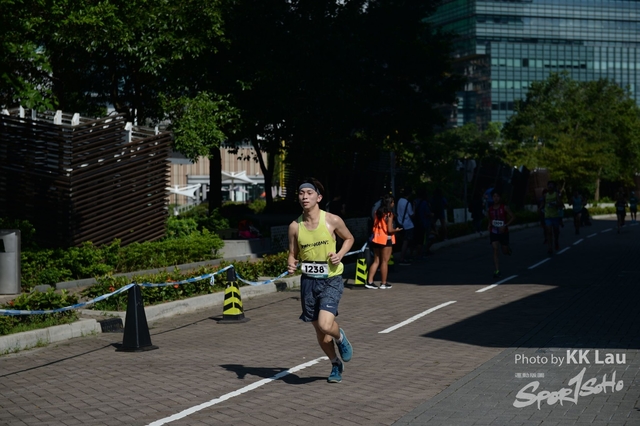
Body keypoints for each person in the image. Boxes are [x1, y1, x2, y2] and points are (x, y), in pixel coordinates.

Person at [287, 178, 354, 383]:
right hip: (309, 282)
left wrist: (339, 254)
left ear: (319, 197)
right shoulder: (295, 226)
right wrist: (291, 263)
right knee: (321, 332)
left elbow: (349, 238)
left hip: (331, 279)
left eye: (309, 193)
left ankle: (340, 337)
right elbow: (292, 253)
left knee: (326, 325)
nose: (304, 197)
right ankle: (335, 364)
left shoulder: (332, 220)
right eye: (301, 193)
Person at [366, 194, 402, 289]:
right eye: (393, 202)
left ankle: (369, 281)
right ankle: (383, 283)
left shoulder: (377, 212)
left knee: (376, 261)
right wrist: (396, 230)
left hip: (376, 238)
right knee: (385, 261)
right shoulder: (389, 214)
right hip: (386, 239)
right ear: (390, 203)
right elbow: (389, 230)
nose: (393, 204)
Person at [488, 189, 514, 279]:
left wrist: (505, 225)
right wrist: (489, 225)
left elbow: (513, 217)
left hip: (503, 232)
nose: (496, 198)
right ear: (492, 198)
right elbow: (490, 219)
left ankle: (508, 250)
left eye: (497, 196)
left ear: (500, 197)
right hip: (494, 232)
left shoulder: (504, 207)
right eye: (494, 196)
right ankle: (497, 270)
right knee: (495, 249)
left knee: (504, 251)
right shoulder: (490, 209)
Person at [543, 181, 563, 254]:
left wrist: (555, 204)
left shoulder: (556, 194)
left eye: (551, 186)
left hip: (555, 216)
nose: (550, 187)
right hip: (547, 216)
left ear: (554, 187)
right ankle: (550, 248)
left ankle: (556, 241)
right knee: (549, 232)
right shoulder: (545, 195)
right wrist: (540, 209)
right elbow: (543, 203)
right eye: (549, 185)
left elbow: (560, 204)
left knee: (556, 231)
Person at [413, 188, 434, 258]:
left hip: (416, 223)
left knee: (417, 238)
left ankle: (417, 252)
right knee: (424, 239)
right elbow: (427, 213)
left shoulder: (415, 202)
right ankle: (423, 252)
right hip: (424, 223)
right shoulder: (425, 203)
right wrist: (432, 214)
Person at [396, 187, 414, 265]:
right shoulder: (408, 203)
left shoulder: (399, 201)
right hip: (408, 224)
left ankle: (403, 256)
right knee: (407, 241)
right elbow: (411, 214)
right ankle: (403, 258)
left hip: (401, 223)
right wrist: (414, 208)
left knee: (404, 240)